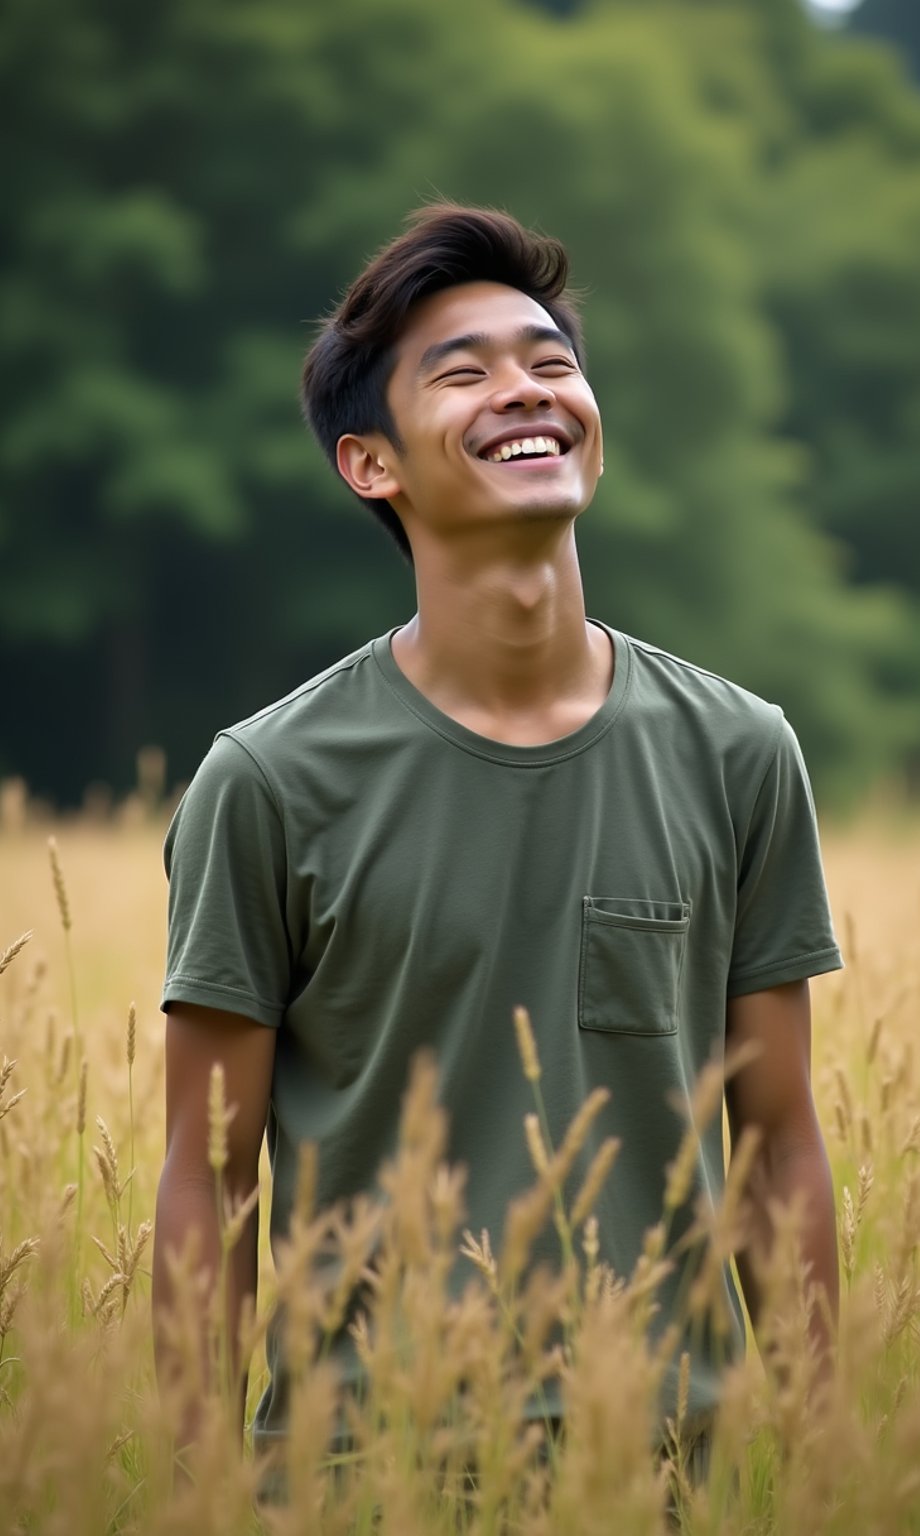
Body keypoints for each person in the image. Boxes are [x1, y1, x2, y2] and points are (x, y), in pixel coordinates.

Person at [153, 203, 841, 1477]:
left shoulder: (740, 752)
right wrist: (202, 1482)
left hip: (669, 1471)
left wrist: (815, 1443)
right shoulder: (271, 778)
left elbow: (779, 1137)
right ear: (373, 465)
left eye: (550, 362)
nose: (526, 390)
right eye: (463, 373)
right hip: (363, 1471)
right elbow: (211, 1173)